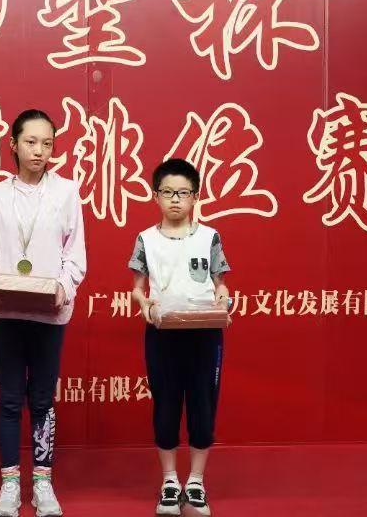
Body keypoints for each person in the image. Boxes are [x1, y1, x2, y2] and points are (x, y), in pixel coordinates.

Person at [0, 109, 86, 517]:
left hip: (49, 314)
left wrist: (63, 288)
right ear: (13, 144)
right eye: (31, 142)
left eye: (47, 144)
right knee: (9, 400)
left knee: (41, 399)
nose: (39, 151)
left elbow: (75, 253)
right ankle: (9, 484)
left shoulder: (66, 191)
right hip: (5, 312)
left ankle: (42, 482)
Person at [128, 158, 231, 516]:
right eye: (168, 192)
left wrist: (223, 300)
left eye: (183, 193)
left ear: (195, 197)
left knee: (203, 406)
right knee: (166, 405)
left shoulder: (209, 237)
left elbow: (221, 284)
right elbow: (137, 288)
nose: (175, 200)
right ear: (155, 195)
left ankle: (196, 482)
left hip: (205, 334)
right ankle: (170, 481)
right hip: (163, 334)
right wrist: (143, 303)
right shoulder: (146, 239)